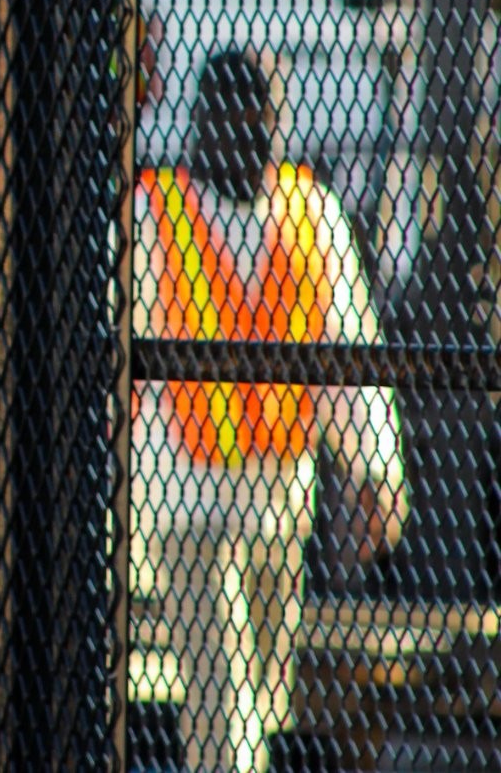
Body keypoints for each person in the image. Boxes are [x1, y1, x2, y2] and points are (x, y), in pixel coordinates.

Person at [131, 49, 409, 773]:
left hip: (281, 506)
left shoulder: (311, 213)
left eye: (260, 116)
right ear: (197, 126)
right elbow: (115, 355)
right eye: (228, 116)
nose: (246, 133)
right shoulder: (155, 211)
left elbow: (351, 351)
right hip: (185, 506)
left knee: (262, 701)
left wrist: (377, 473)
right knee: (223, 710)